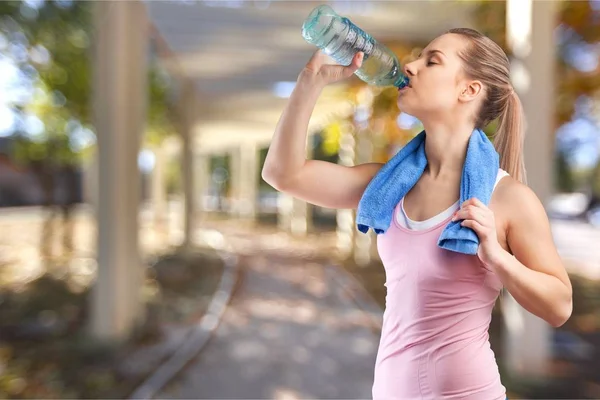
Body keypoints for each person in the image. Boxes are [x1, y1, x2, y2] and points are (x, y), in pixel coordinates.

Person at [262, 28, 573, 400]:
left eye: (432, 60)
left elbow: (559, 306)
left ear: (469, 90)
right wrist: (310, 82)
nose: (409, 66)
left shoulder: (507, 198)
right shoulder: (389, 185)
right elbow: (282, 174)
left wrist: (497, 256)